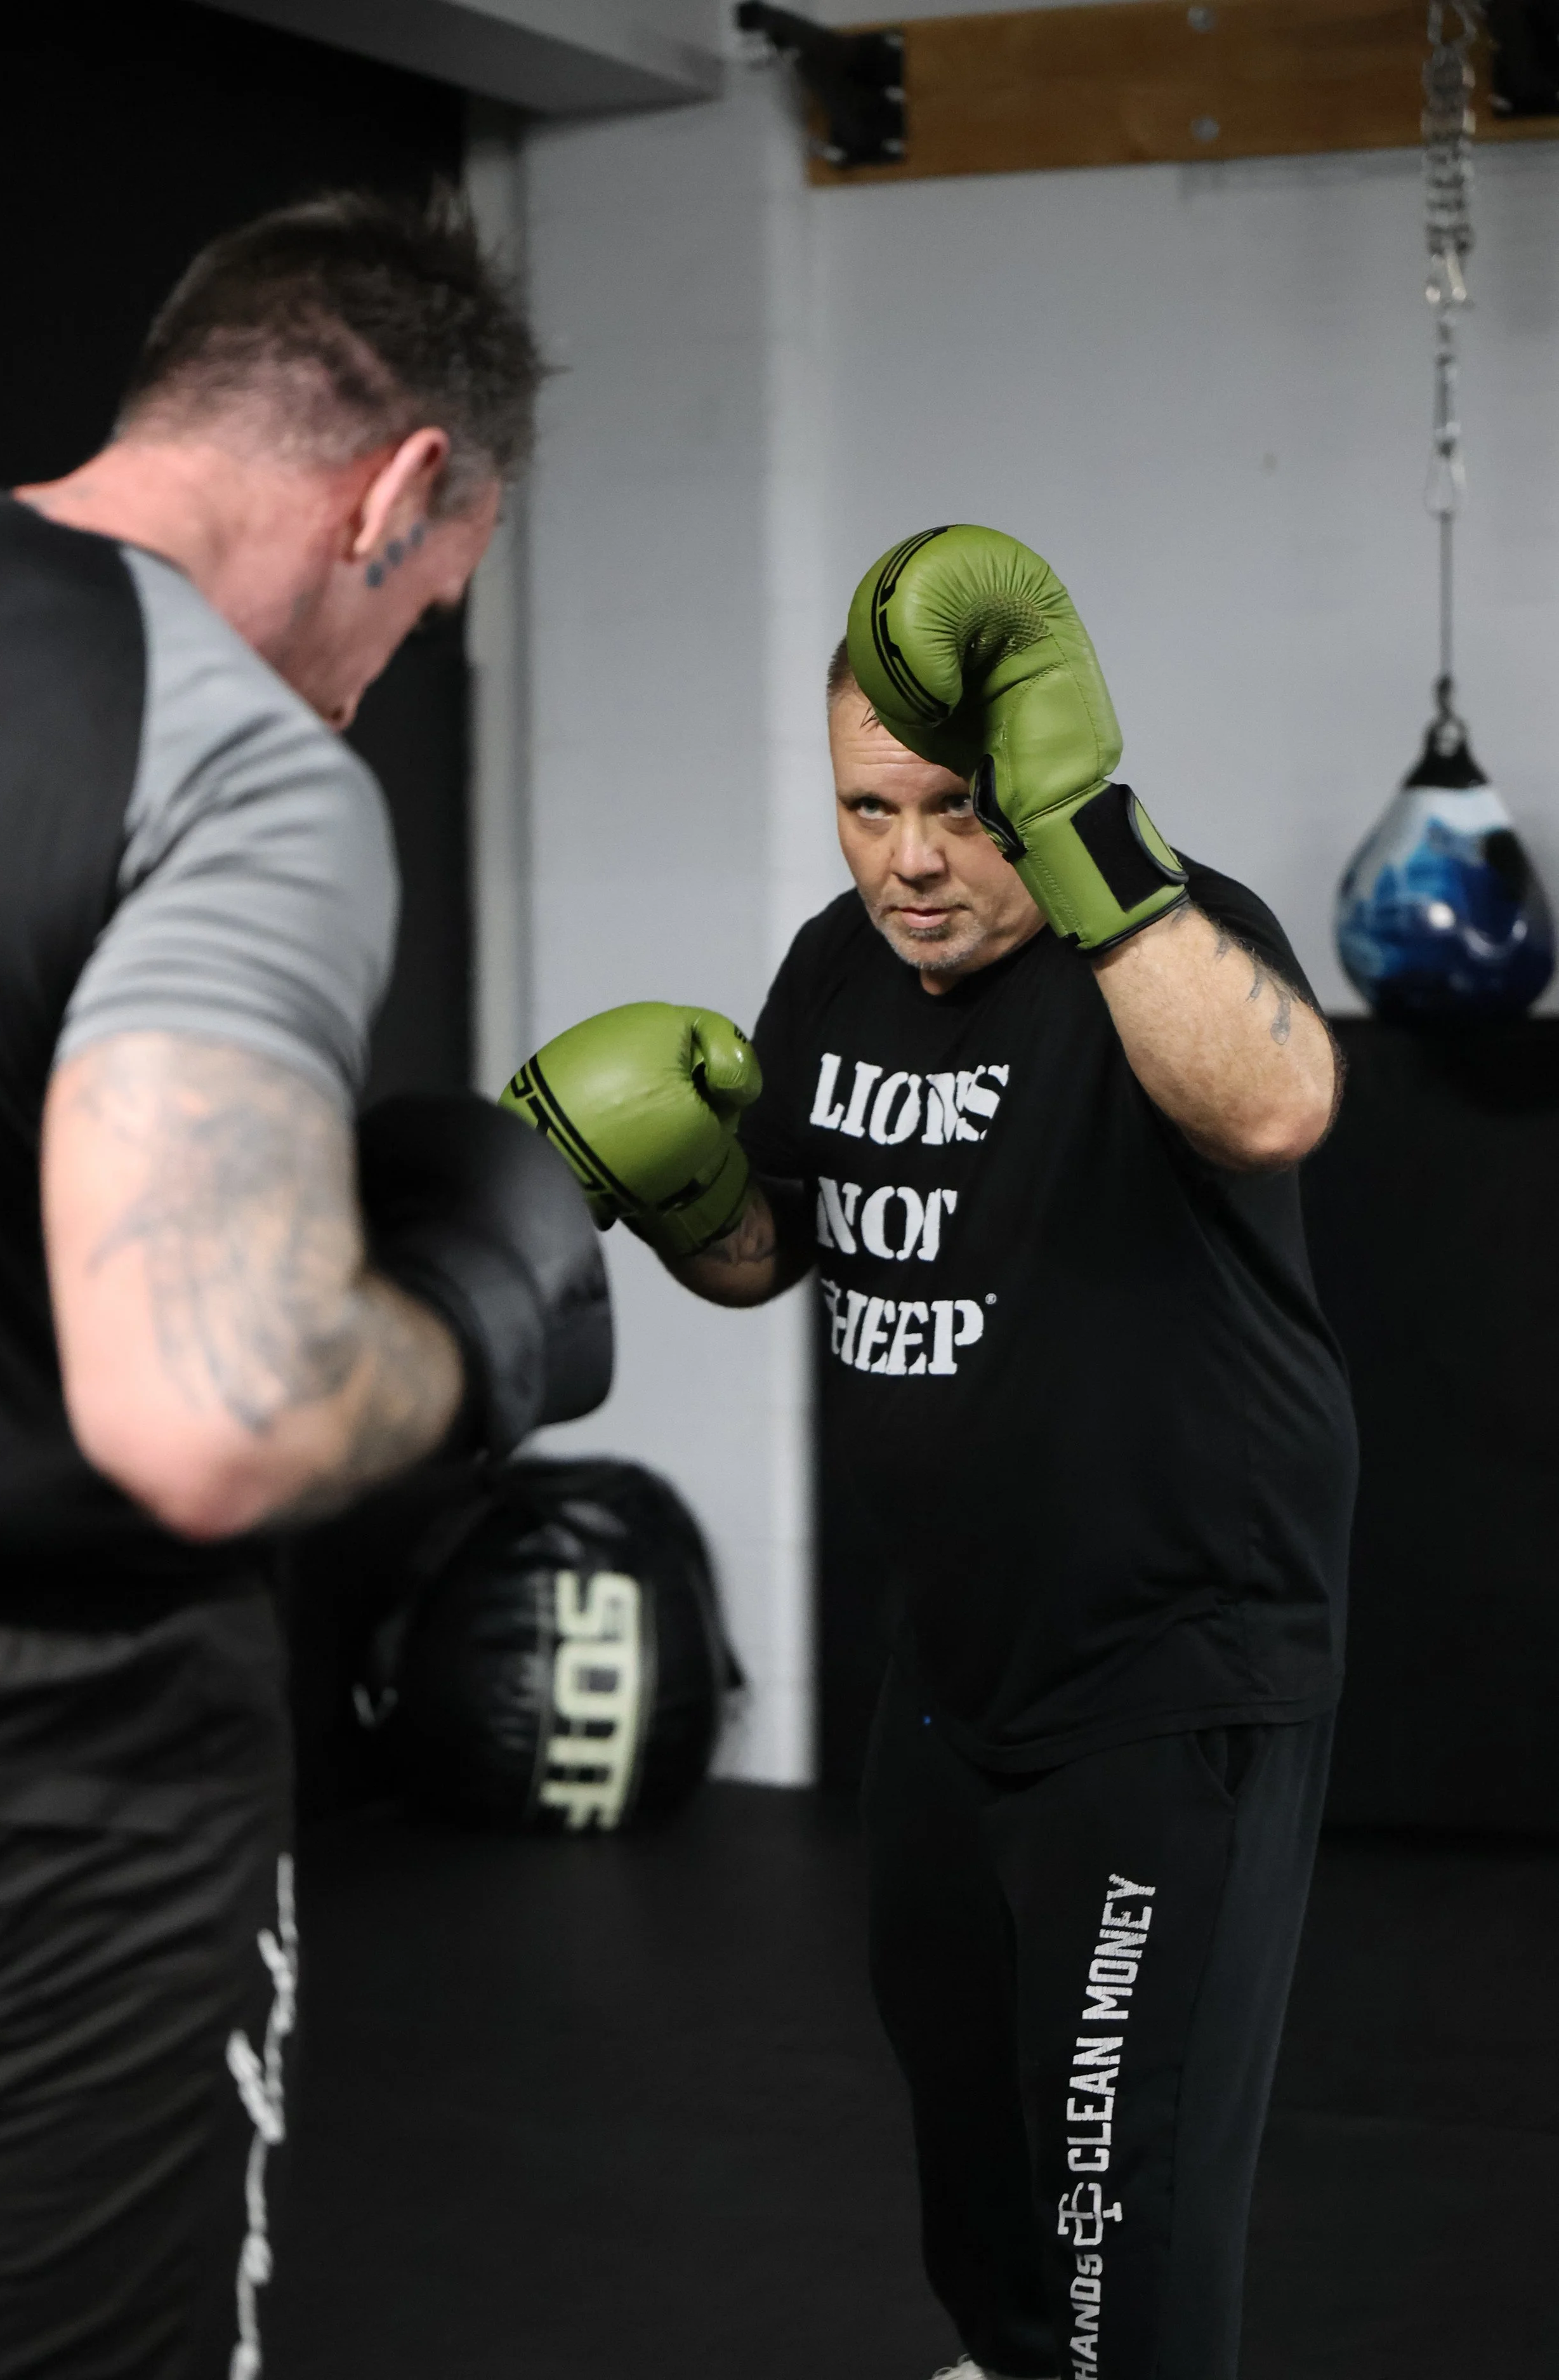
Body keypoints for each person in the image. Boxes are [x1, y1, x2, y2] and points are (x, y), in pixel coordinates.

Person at [502, 527, 1358, 2380]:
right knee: (975, 2173)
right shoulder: (837, 968)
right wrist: (661, 1186)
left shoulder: (1167, 949)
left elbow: (1280, 1101)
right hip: (951, 1672)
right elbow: (776, 1254)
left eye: (959, 811)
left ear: (1034, 781)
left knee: (1118, 2209)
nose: (906, 858)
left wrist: (1092, 846)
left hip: (1169, 1672)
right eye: (865, 807)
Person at [0, 189, 608, 2379]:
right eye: (419, 616)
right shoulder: (228, 753)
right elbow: (214, 1408)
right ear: (401, 489)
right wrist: (470, 1324)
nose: (365, 689)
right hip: (58, 1795)